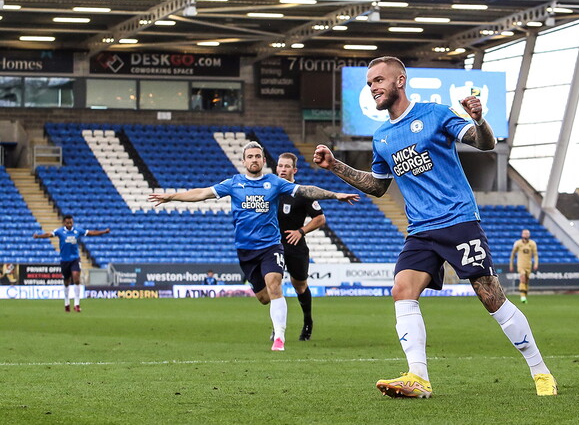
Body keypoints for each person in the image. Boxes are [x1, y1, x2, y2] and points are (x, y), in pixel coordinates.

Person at [312, 56, 556, 398]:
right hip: (420, 230)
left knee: (490, 297)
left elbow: (484, 142)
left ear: (400, 81)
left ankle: (540, 372)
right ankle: (418, 377)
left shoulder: (434, 113)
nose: (373, 88)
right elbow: (379, 186)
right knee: (402, 290)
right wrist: (335, 165)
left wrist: (480, 120)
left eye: (378, 80)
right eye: (369, 84)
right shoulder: (382, 136)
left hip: (458, 220)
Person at [149, 141, 353, 352]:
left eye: (258, 156)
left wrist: (334, 195)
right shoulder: (233, 183)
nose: (254, 160)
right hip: (246, 249)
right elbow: (202, 193)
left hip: (271, 246)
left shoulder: (274, 182)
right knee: (264, 298)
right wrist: (171, 196)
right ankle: (278, 326)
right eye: (250, 157)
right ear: (243, 161)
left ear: (264, 161)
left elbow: (306, 190)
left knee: (275, 286)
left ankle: (279, 338)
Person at [276, 152, 359, 341]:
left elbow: (320, 218)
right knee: (274, 286)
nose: (282, 169)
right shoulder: (271, 189)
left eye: (286, 166)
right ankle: (278, 327)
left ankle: (307, 321)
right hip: (273, 246)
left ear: (294, 170)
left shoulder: (302, 193)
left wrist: (301, 231)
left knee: (300, 286)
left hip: (295, 246)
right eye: (280, 166)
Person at [33, 215, 110, 312]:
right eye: (68, 222)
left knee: (76, 278)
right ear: (64, 223)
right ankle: (66, 303)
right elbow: (49, 234)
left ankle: (77, 304)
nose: (69, 224)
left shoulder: (77, 231)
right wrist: (39, 236)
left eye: (71, 222)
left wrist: (103, 232)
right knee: (66, 282)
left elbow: (91, 232)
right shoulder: (60, 231)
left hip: (75, 259)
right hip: (64, 260)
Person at [509, 229, 539, 304]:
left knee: (526, 281)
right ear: (522, 234)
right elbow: (513, 254)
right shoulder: (518, 243)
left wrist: (536, 263)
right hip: (520, 264)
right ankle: (522, 296)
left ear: (529, 235)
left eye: (527, 233)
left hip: (528, 265)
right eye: (524, 233)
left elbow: (535, 254)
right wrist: (511, 264)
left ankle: (524, 294)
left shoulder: (532, 243)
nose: (525, 235)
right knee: (522, 278)